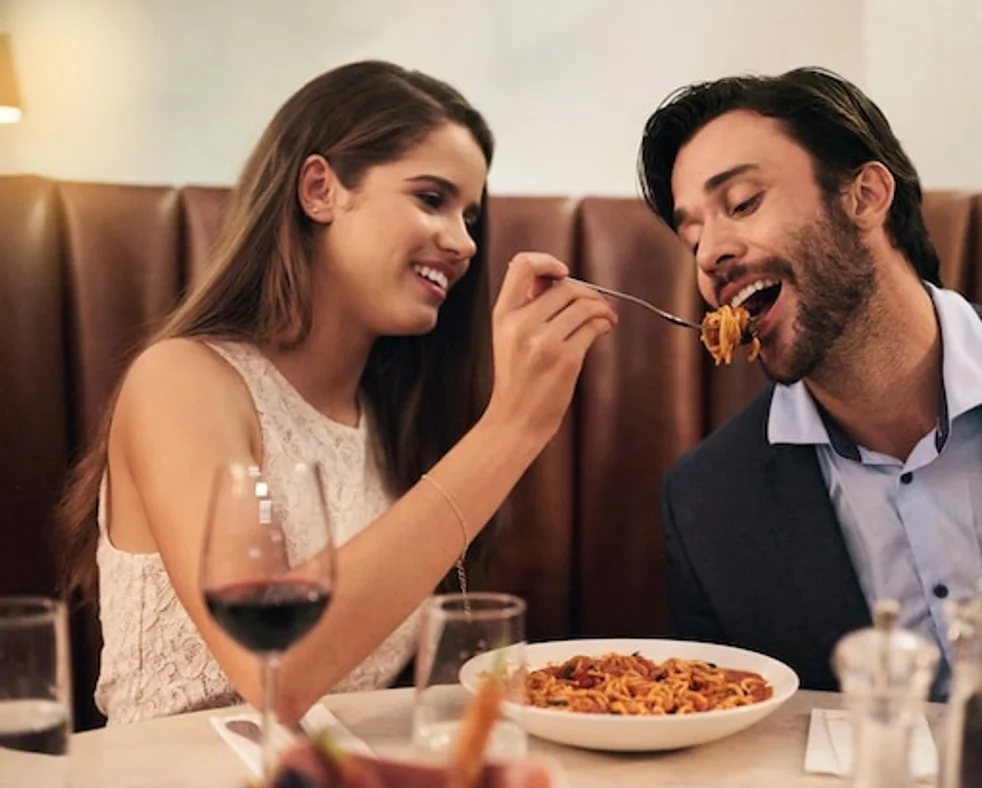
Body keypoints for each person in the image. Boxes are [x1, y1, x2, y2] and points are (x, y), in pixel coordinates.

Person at [637, 66, 982, 744]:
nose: (710, 254)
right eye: (692, 235)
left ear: (865, 197)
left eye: (743, 201)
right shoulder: (707, 504)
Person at [56, 60, 617, 726]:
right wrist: (512, 426)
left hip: (325, 772)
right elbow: (276, 667)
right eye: (431, 199)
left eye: (470, 216)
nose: (464, 243)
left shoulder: (392, 422)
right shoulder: (180, 381)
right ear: (320, 190)